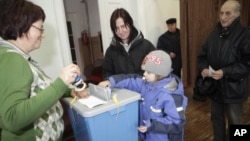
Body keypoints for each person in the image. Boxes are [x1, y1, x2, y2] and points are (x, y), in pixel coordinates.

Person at [0, 0, 87, 141]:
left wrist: (69, 90)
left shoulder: (20, 58)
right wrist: (61, 82)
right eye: (40, 28)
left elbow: (39, 90)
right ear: (21, 25)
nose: (43, 34)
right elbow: (12, 118)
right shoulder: (11, 59)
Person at [99, 50, 187, 141]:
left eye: (148, 72)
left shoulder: (171, 96)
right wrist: (111, 81)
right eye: (145, 71)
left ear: (160, 74)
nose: (144, 74)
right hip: (149, 134)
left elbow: (177, 122)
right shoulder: (146, 82)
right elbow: (130, 80)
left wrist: (152, 125)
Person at [197, 1, 250, 141]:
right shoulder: (213, 34)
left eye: (228, 13)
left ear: (237, 14)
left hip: (234, 90)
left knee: (236, 125)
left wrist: (225, 71)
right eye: (221, 13)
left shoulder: (246, 34)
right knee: (217, 121)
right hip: (216, 90)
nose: (223, 17)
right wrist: (203, 68)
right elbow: (202, 56)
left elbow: (247, 64)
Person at [102, 8, 155, 79]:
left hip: (143, 89)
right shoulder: (110, 51)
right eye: (116, 28)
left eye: (123, 26)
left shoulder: (146, 46)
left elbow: (155, 71)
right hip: (121, 90)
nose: (120, 31)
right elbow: (107, 74)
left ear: (130, 24)